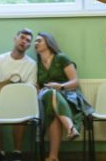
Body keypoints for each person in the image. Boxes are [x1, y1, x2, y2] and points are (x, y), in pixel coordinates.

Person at [33, 33, 87, 161]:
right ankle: (70, 129)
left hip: (68, 96)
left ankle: (53, 156)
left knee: (52, 96)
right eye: (35, 42)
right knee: (49, 93)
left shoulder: (61, 58)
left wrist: (60, 86)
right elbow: (38, 87)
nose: (36, 43)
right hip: (46, 98)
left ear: (48, 42)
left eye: (39, 40)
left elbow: (75, 82)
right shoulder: (37, 65)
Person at [0, 29, 36, 161]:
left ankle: (17, 153)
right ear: (15, 39)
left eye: (27, 41)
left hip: (20, 104)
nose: (24, 41)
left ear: (29, 46)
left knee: (21, 110)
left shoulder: (31, 65)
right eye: (22, 38)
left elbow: (30, 91)